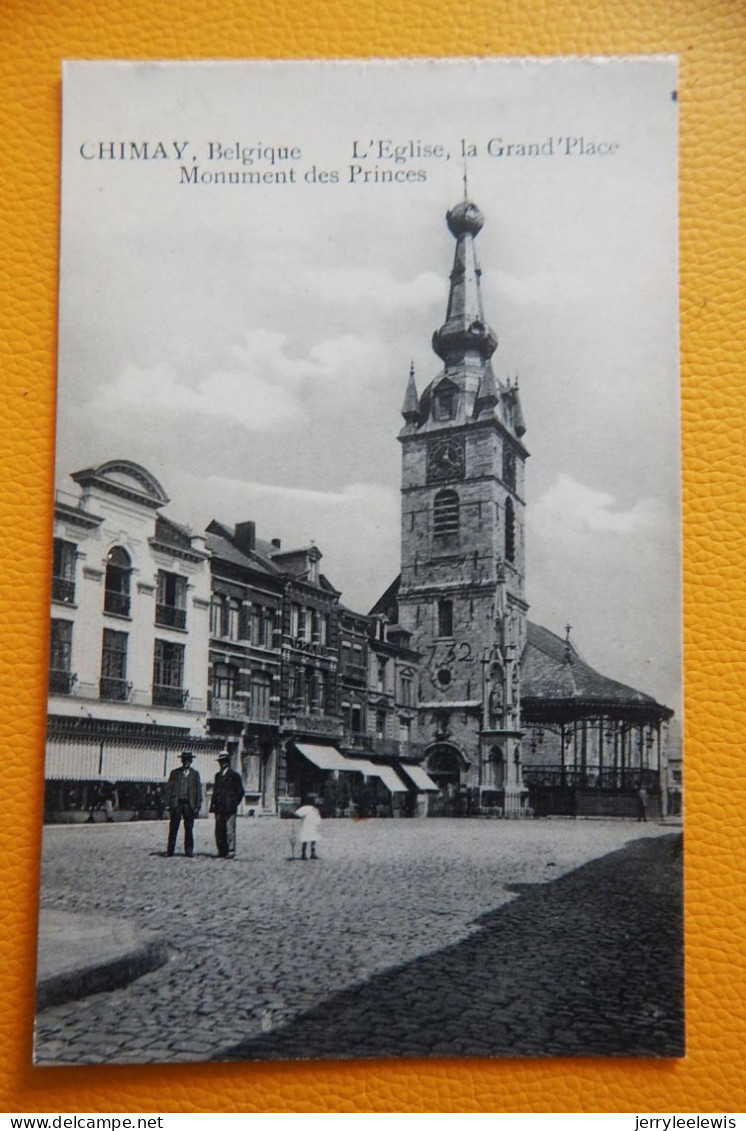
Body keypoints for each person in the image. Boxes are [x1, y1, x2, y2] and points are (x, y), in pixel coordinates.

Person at [165, 750, 202, 857]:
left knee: (189, 827)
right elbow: (169, 788)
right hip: (177, 803)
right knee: (173, 827)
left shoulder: (195, 774)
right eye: (184, 760)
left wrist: (198, 804)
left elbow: (198, 790)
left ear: (191, 761)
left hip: (189, 804)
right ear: (182, 761)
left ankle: (189, 850)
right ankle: (170, 850)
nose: (186, 762)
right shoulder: (175, 773)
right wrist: (168, 803)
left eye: (188, 760)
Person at [209, 751, 244, 859]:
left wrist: (234, 803)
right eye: (220, 761)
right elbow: (215, 791)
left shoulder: (234, 775)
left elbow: (240, 792)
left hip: (229, 807)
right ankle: (222, 850)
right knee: (219, 830)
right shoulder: (217, 776)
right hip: (219, 807)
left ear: (228, 762)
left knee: (229, 829)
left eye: (224, 761)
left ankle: (231, 850)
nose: (222, 763)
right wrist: (213, 804)